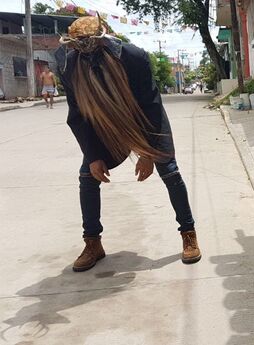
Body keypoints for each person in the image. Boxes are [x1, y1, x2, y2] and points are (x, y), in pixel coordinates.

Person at [56, 16, 201, 272]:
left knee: (169, 171)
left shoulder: (133, 57)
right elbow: (77, 115)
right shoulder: (69, 65)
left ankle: (188, 233)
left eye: (91, 42)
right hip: (102, 123)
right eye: (80, 44)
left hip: (142, 117)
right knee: (87, 177)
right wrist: (92, 156)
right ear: (72, 43)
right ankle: (93, 243)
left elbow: (150, 105)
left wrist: (147, 152)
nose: (86, 48)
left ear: (103, 36)